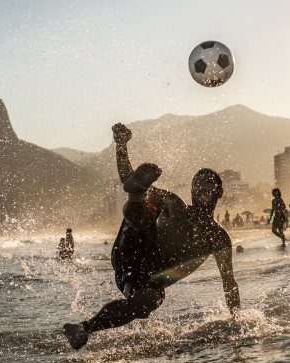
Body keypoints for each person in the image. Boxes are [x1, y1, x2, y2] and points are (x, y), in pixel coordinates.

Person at [63, 123, 240, 350]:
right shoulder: (176, 205)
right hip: (131, 248)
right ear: (192, 190)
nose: (203, 186)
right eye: (198, 183)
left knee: (147, 302)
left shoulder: (219, 238)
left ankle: (82, 329)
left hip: (150, 275)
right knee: (143, 207)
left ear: (220, 192)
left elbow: (229, 284)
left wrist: (237, 322)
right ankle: (138, 195)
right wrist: (121, 147)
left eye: (209, 183)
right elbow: (126, 179)